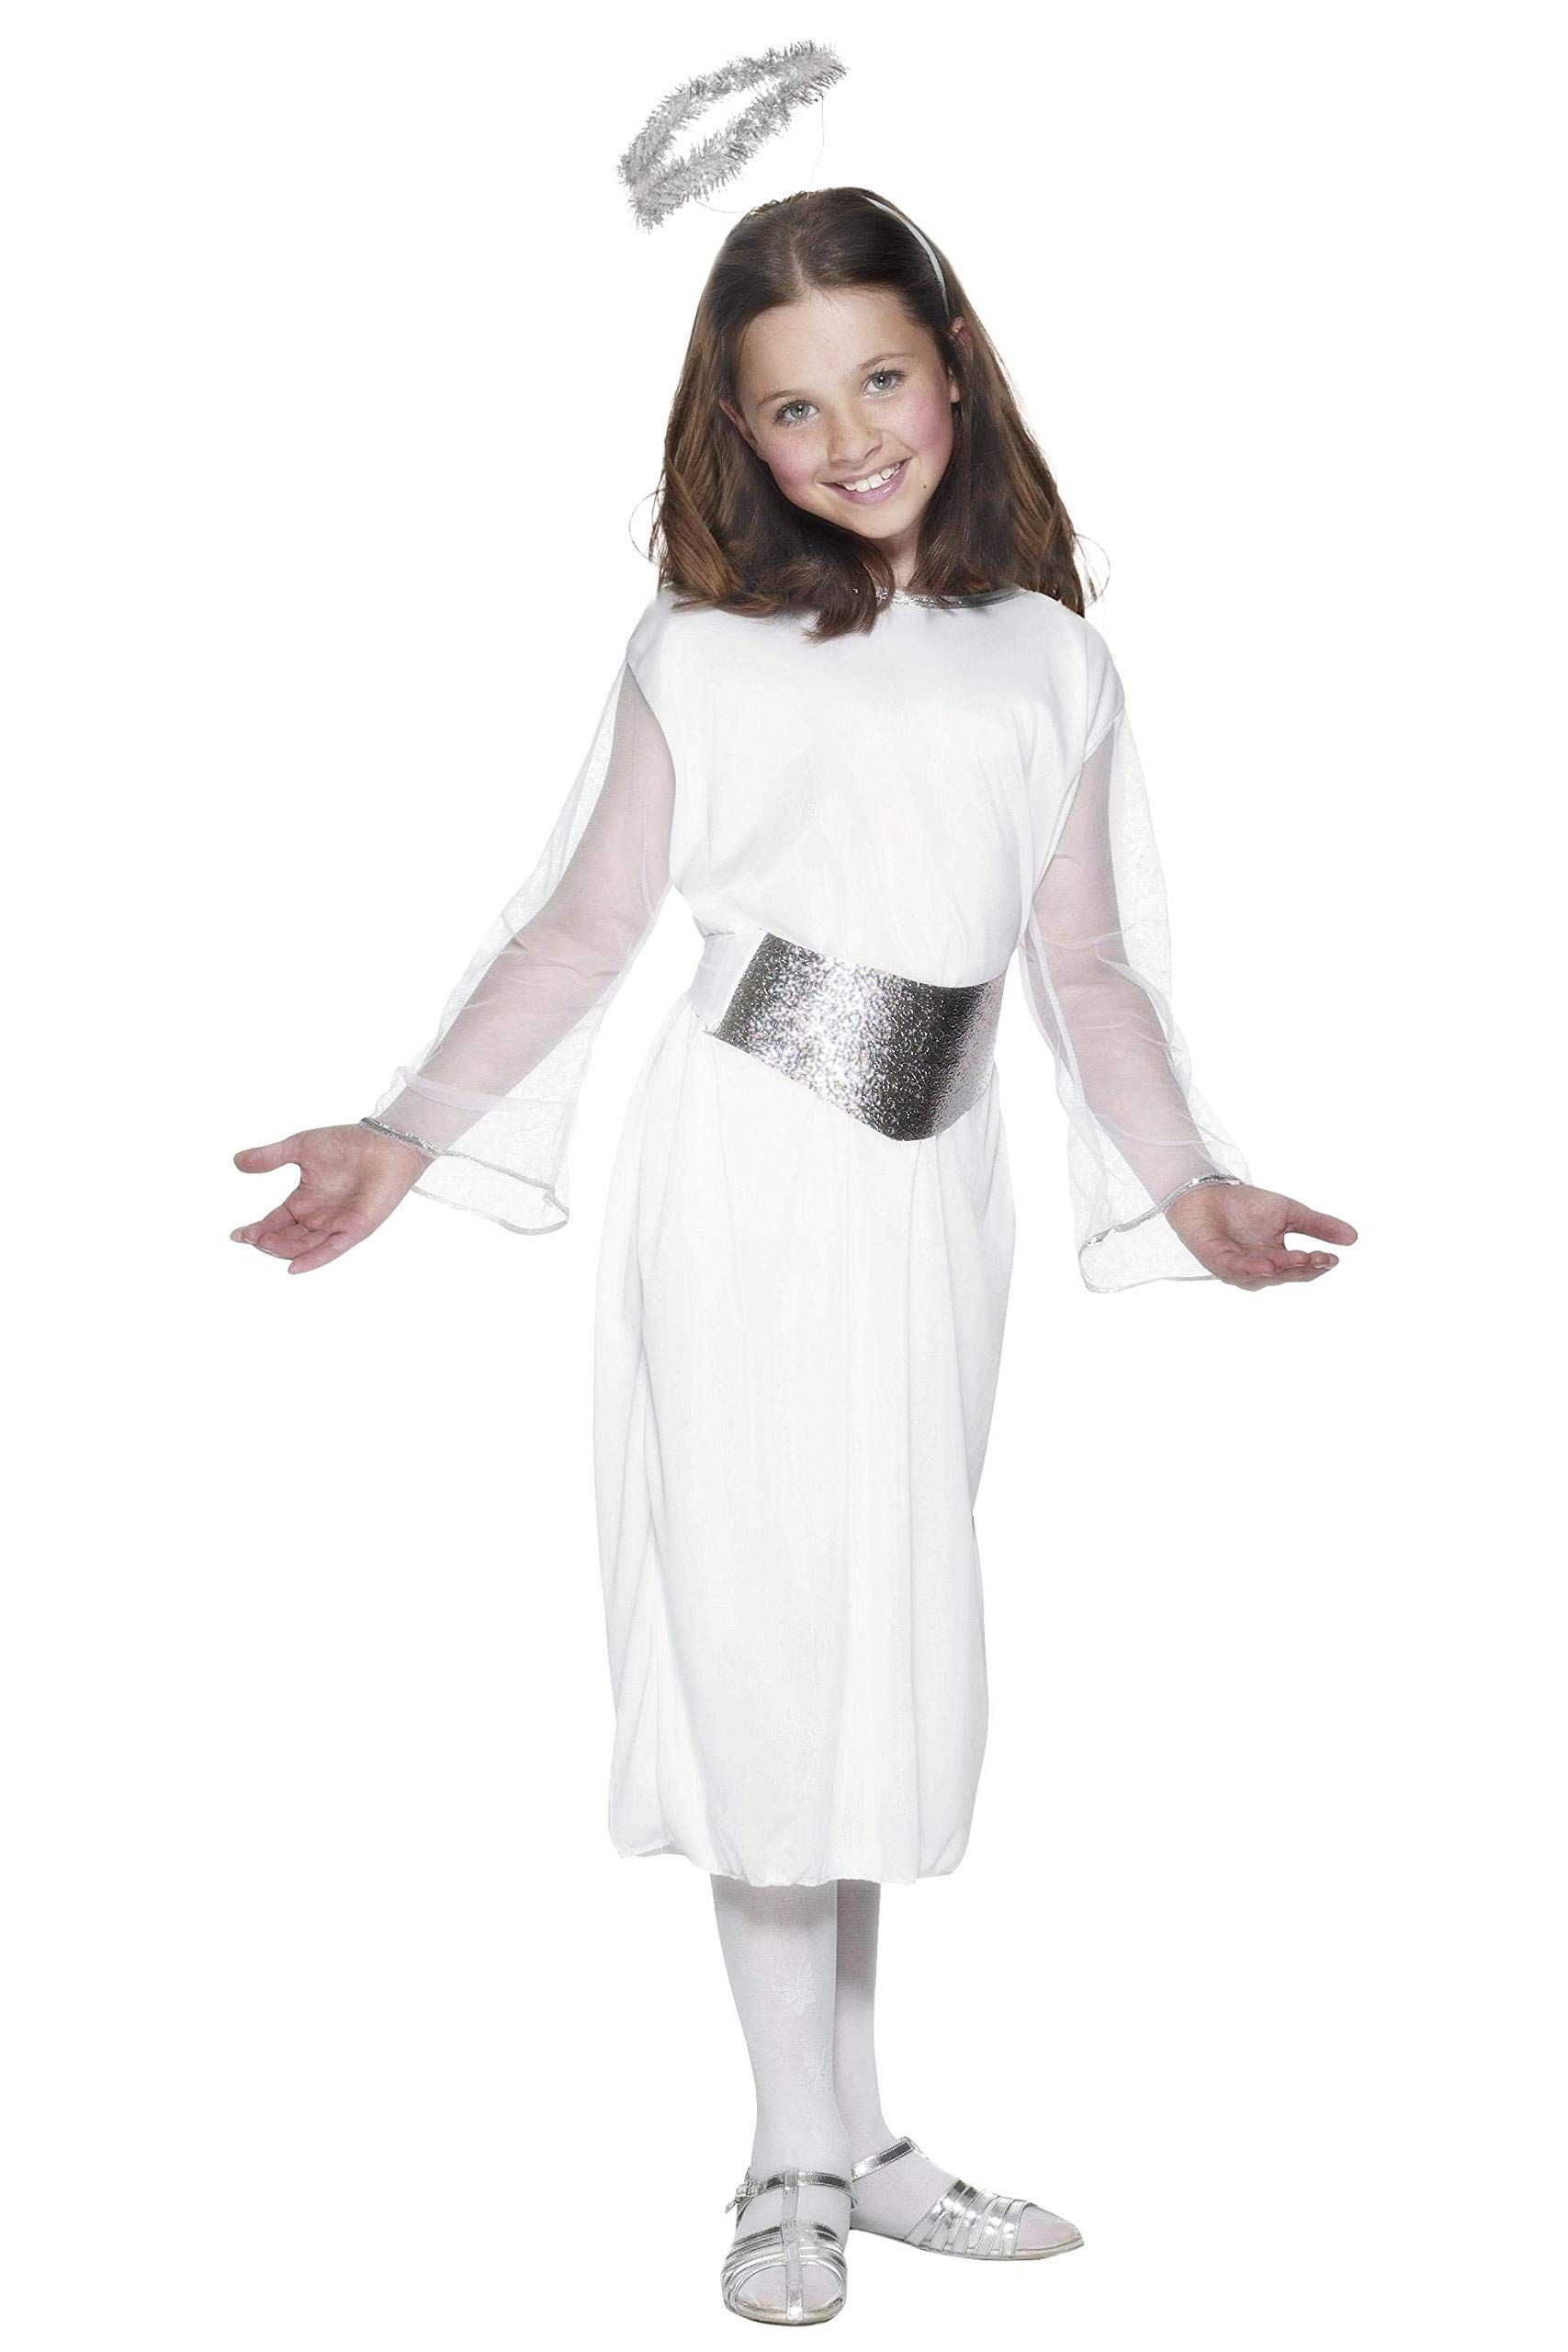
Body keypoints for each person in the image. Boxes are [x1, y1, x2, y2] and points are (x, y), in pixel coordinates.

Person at [231, 187, 1358, 2325]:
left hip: (931, 1200)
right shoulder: (699, 649)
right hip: (744, 1179)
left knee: (867, 1655)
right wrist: (404, 1129)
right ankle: (785, 2155)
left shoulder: (1052, 655)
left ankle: (859, 2136)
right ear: (734, 433)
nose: (847, 437)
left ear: (953, 362)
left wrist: (1186, 1180)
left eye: (877, 378)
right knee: (761, 1652)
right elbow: (579, 925)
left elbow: (1086, 967)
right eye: (789, 409)